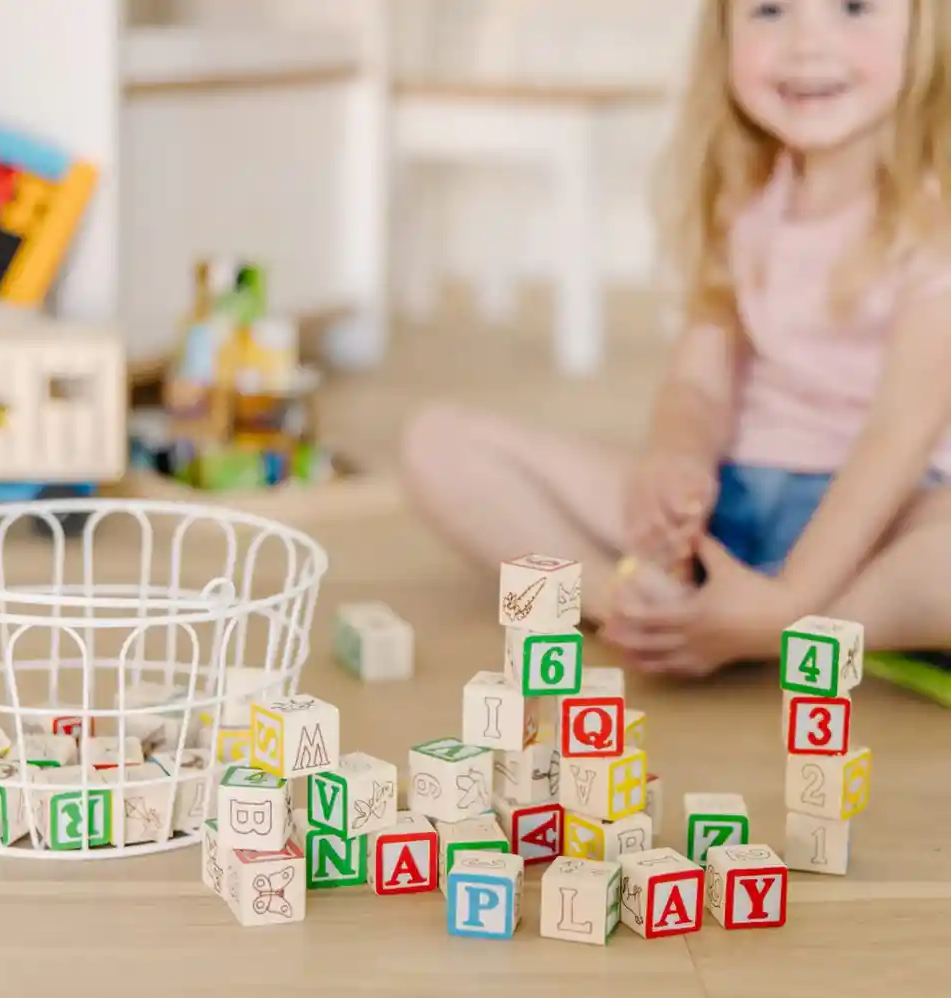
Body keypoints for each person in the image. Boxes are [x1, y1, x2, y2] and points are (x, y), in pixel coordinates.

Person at [399, 0, 951, 684]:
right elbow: (699, 382)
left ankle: (795, 627)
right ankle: (639, 611)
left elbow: (899, 433)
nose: (808, 43)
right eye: (770, 10)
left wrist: (790, 598)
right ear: (722, 36)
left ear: (926, 30)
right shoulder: (744, 197)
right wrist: (674, 458)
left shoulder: (936, 215)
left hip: (882, 519)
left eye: (854, 8)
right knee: (438, 444)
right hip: (731, 503)